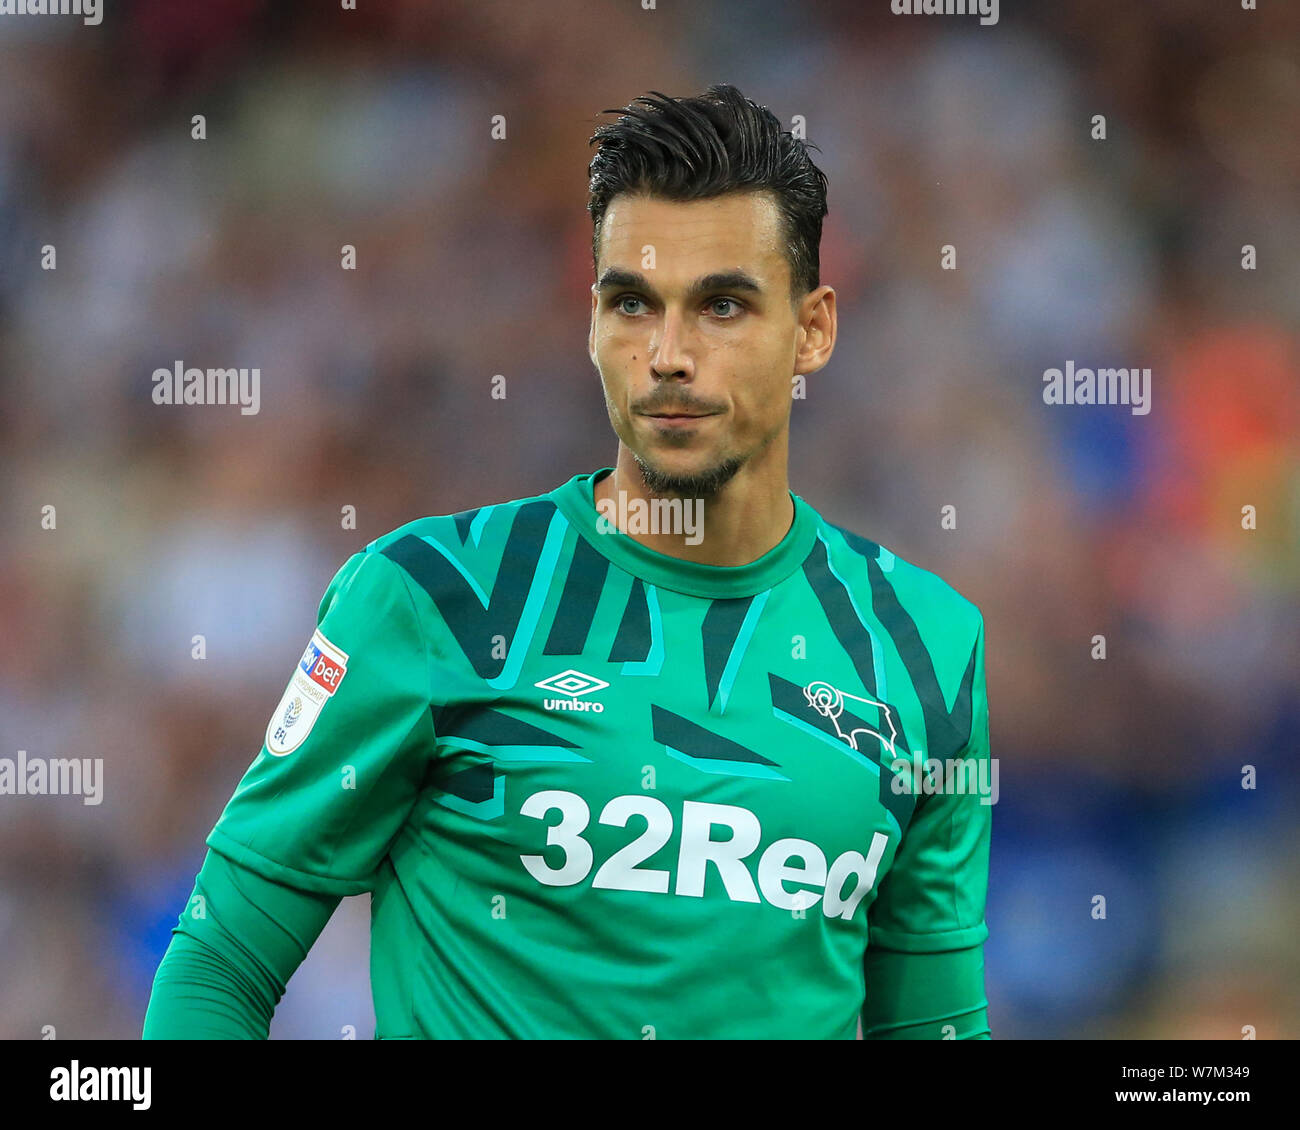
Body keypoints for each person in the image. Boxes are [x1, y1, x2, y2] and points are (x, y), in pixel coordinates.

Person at [143, 83, 992, 1040]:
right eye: (634, 303)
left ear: (814, 329)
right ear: (592, 320)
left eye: (722, 306)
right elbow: (219, 963)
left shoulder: (929, 648)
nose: (669, 354)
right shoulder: (431, 597)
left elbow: (935, 1029)